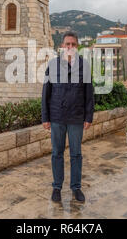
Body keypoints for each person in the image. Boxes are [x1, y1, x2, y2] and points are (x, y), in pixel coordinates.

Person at [41, 31, 94, 203]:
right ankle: (57, 187)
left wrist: (88, 117)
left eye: (73, 44)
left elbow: (89, 94)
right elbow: (46, 93)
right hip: (57, 117)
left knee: (76, 154)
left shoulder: (84, 66)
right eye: (67, 44)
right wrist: (45, 117)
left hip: (76, 118)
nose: (70, 47)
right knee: (57, 153)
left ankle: (76, 188)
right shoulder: (52, 65)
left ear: (76, 46)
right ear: (62, 46)